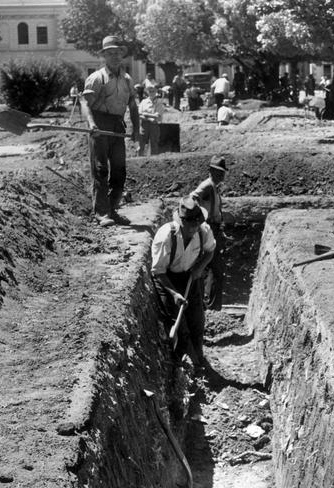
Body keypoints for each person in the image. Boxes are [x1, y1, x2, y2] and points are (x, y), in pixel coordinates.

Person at [81, 35, 139, 227]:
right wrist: (91, 124)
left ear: (121, 56)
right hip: (99, 124)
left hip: (117, 126)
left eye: (117, 53)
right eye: (110, 53)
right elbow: (86, 104)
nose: (115, 56)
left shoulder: (127, 79)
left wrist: (136, 129)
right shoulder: (96, 78)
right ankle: (101, 213)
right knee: (100, 169)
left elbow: (133, 105)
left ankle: (113, 210)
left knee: (119, 170)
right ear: (104, 56)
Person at [151, 197, 216, 368]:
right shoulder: (166, 236)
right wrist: (174, 294)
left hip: (189, 276)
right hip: (167, 279)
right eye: (192, 225)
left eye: (198, 223)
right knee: (181, 327)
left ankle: (199, 357)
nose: (195, 228)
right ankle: (188, 365)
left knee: (197, 321)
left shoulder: (203, 232)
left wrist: (199, 268)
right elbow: (158, 272)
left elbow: (210, 251)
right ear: (182, 222)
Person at [190, 156, 228, 310]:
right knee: (214, 268)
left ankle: (210, 306)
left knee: (213, 269)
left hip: (214, 229)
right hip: (209, 230)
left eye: (223, 172)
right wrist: (200, 219)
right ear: (211, 171)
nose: (222, 175)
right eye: (218, 172)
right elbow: (192, 198)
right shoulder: (207, 186)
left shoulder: (213, 187)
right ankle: (211, 307)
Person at [138, 84, 165, 156]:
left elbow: (157, 115)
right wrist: (150, 118)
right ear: (147, 92)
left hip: (154, 126)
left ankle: (154, 162)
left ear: (156, 91)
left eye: (153, 91)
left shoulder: (159, 102)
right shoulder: (143, 102)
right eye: (150, 91)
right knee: (141, 145)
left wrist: (145, 114)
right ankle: (139, 161)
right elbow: (139, 114)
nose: (151, 92)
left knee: (154, 145)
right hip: (144, 126)